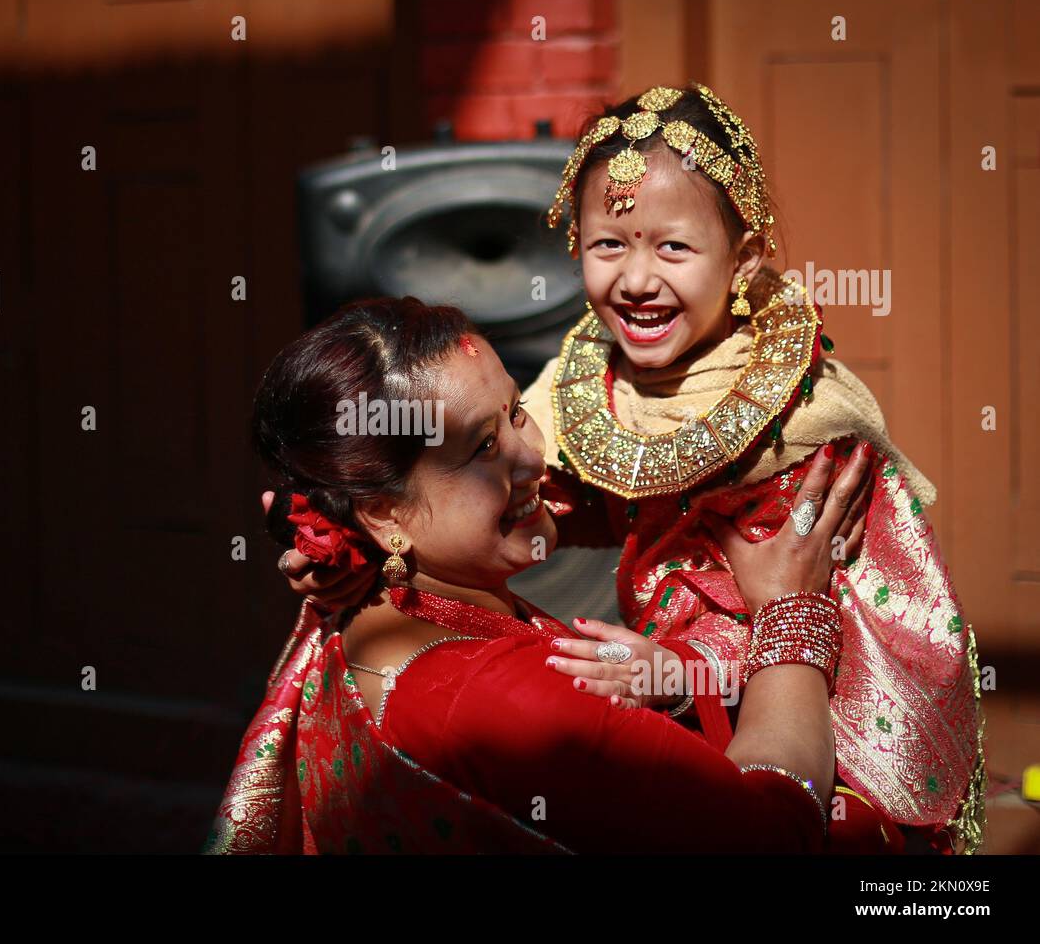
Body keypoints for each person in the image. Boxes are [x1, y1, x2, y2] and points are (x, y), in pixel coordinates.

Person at [270, 84, 985, 854]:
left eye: (673, 247)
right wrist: (342, 541)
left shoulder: (801, 420)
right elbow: (574, 503)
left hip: (830, 698)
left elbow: (807, 582)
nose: (638, 280)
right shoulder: (599, 380)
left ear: (744, 261)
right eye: (610, 245)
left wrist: (689, 668)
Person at [207, 297, 885, 854]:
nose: (533, 457)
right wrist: (791, 613)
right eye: (482, 447)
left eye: (516, 411)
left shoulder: (358, 610)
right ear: (385, 516)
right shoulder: (509, 703)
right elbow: (772, 834)